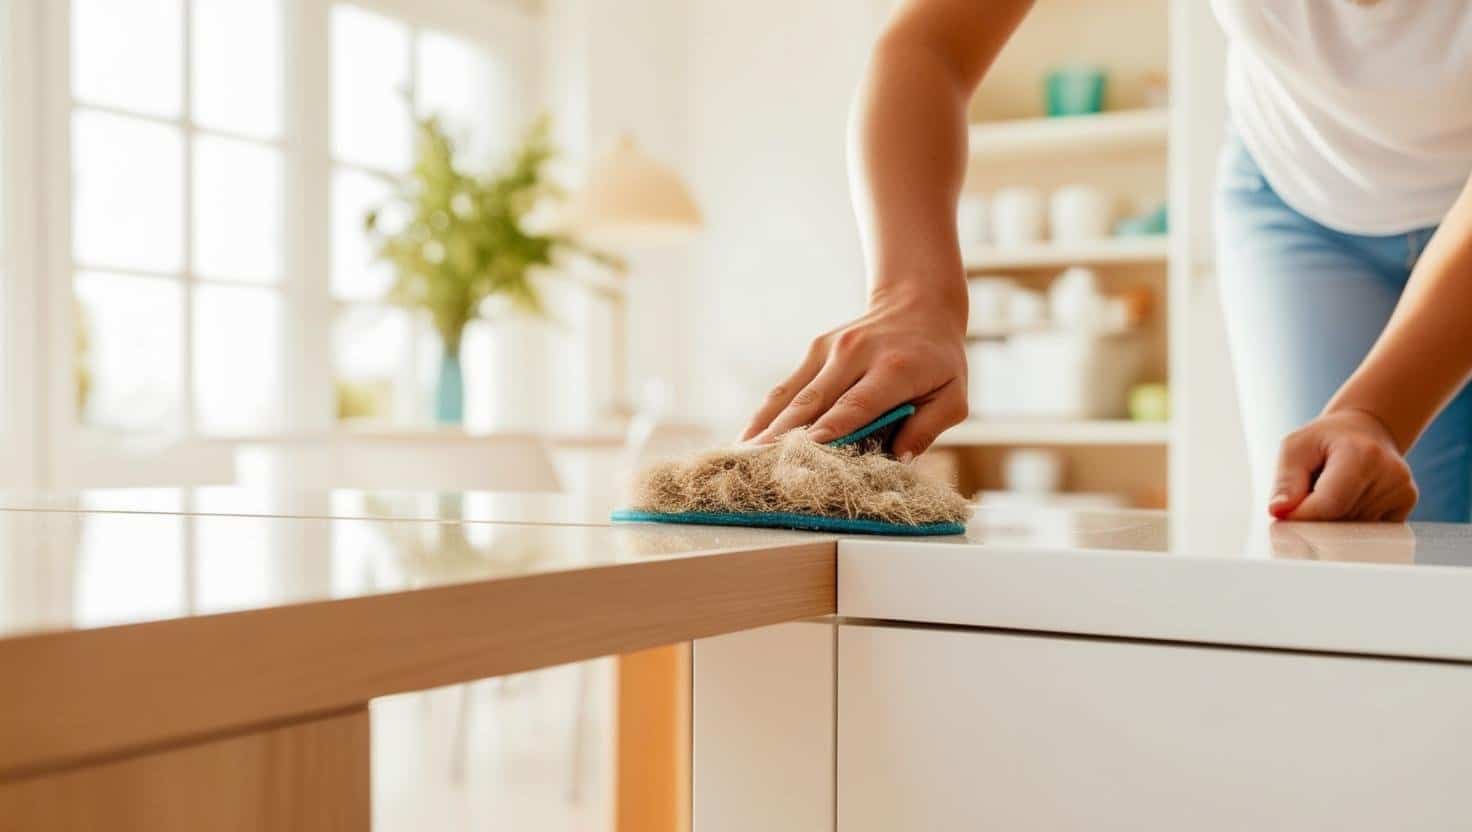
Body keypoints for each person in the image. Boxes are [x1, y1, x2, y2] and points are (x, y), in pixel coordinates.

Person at [740, 0, 1472, 523]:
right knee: (1336, 529)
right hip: (1296, 203)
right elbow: (929, 45)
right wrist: (913, 294)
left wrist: (1374, 412)